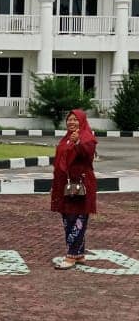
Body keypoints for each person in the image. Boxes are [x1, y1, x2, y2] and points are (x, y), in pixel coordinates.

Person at [50, 108, 97, 268]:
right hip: (66, 186)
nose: (71, 122)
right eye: (69, 119)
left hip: (80, 186)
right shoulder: (66, 138)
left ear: (82, 121)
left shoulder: (87, 137)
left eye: (75, 119)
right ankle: (79, 254)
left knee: (76, 220)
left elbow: (88, 154)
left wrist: (78, 143)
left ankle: (71, 256)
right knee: (69, 219)